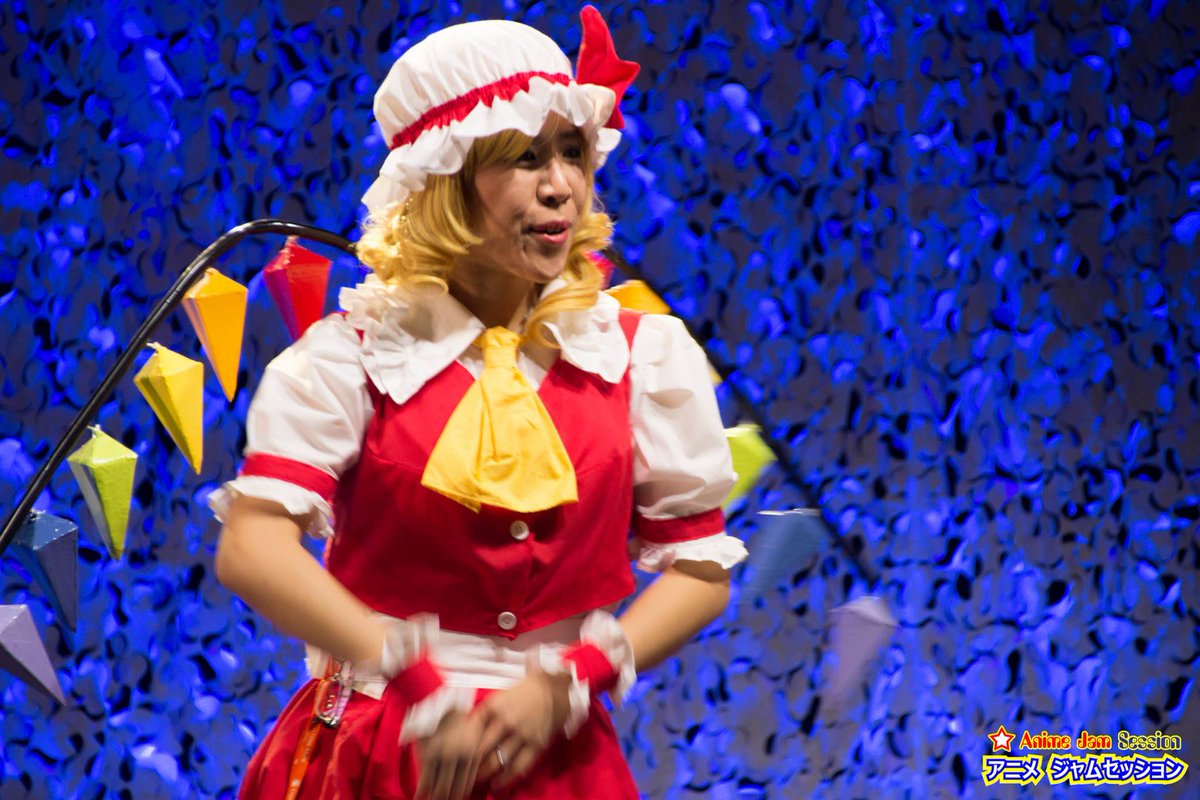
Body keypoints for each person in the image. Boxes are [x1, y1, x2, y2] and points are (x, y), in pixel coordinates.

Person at [210, 8, 746, 799]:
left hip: (557, 757)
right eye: (525, 157)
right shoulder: (352, 358)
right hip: (382, 746)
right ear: (445, 180)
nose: (560, 185)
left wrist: (574, 677)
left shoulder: (640, 356)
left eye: (573, 152)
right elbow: (252, 548)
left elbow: (700, 566)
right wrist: (410, 675)